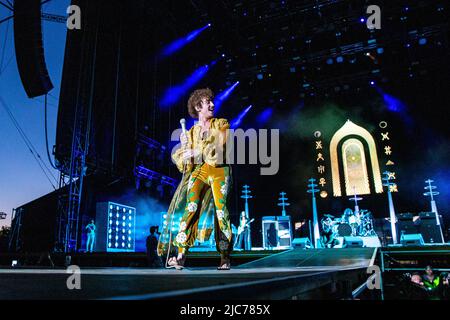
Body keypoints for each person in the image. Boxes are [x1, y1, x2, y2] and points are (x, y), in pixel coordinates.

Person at [158, 88, 233, 270]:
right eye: (208, 102)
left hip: (219, 170)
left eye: (212, 101)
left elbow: (220, 144)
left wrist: (196, 150)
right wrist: (184, 149)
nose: (213, 105)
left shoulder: (221, 123)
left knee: (221, 211)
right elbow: (187, 165)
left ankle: (224, 257)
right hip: (199, 171)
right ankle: (181, 255)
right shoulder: (191, 132)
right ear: (198, 106)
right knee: (190, 208)